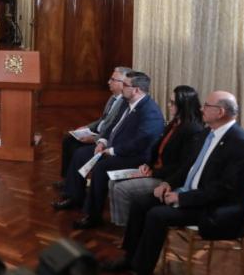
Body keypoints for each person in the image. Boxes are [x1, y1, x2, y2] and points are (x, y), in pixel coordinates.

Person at [106, 91, 244, 275]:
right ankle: (130, 258)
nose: (201, 109)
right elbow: (187, 166)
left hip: (213, 207)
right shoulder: (207, 132)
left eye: (206, 105)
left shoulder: (240, 143)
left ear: (220, 112)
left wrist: (182, 198)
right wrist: (168, 183)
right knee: (141, 202)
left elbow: (225, 189)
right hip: (190, 193)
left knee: (157, 215)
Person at [54, 71, 165, 230]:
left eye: (125, 85)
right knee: (81, 154)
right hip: (113, 147)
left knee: (101, 168)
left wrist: (112, 151)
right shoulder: (127, 103)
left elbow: (140, 143)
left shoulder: (150, 112)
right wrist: (102, 142)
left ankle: (93, 215)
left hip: (135, 156)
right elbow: (111, 126)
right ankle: (74, 196)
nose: (122, 88)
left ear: (137, 90)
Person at [108, 85, 204, 226]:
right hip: (155, 171)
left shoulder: (192, 130)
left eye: (172, 103)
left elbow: (184, 166)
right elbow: (157, 149)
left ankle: (126, 228)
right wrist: (147, 165)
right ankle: (120, 224)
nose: (168, 105)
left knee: (121, 189)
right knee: (112, 182)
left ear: (183, 105)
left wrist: (154, 172)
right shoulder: (175, 123)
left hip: (168, 178)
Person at [56, 66, 131, 184]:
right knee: (68, 141)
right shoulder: (113, 97)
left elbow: (114, 129)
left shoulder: (126, 103)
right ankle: (67, 180)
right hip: (97, 132)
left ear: (123, 83)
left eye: (113, 80)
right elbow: (102, 120)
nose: (108, 82)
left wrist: (95, 139)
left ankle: (75, 184)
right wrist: (87, 127)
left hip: (104, 138)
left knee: (77, 150)